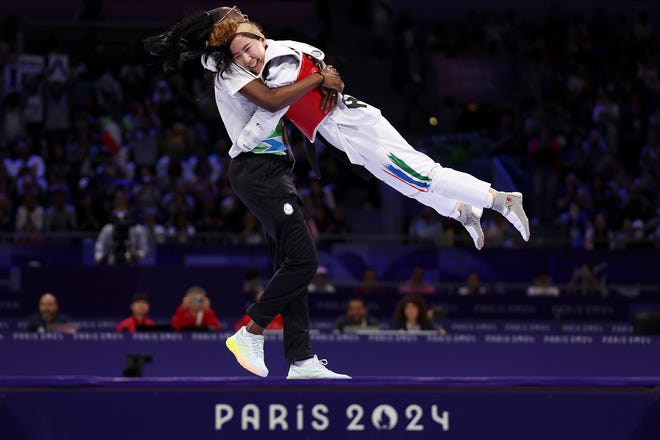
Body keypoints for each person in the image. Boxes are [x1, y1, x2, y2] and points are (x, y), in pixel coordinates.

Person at [144, 6, 350, 379]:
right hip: (256, 172)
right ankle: (250, 332)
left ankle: (301, 358)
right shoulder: (227, 70)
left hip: (275, 170)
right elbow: (273, 101)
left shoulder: (252, 58)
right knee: (305, 261)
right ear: (223, 37)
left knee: (291, 265)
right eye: (234, 40)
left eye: (249, 45)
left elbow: (295, 60)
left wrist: (320, 72)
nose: (245, 55)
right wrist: (319, 78)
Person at [207, 17, 532, 250]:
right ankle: (462, 211)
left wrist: (240, 146)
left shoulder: (277, 64)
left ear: (261, 39)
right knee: (408, 186)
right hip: (345, 136)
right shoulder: (281, 48)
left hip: (357, 127)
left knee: (424, 175)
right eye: (238, 57)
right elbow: (317, 53)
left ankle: (501, 200)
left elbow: (269, 112)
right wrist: (325, 73)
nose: (246, 59)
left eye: (248, 48)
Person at [94, 197, 149, 265]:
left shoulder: (137, 229)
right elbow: (100, 246)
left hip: (131, 261)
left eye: (123, 207)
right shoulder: (108, 228)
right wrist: (100, 258)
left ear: (127, 208)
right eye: (118, 207)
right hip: (112, 260)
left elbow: (144, 249)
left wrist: (137, 255)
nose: (121, 210)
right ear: (114, 209)